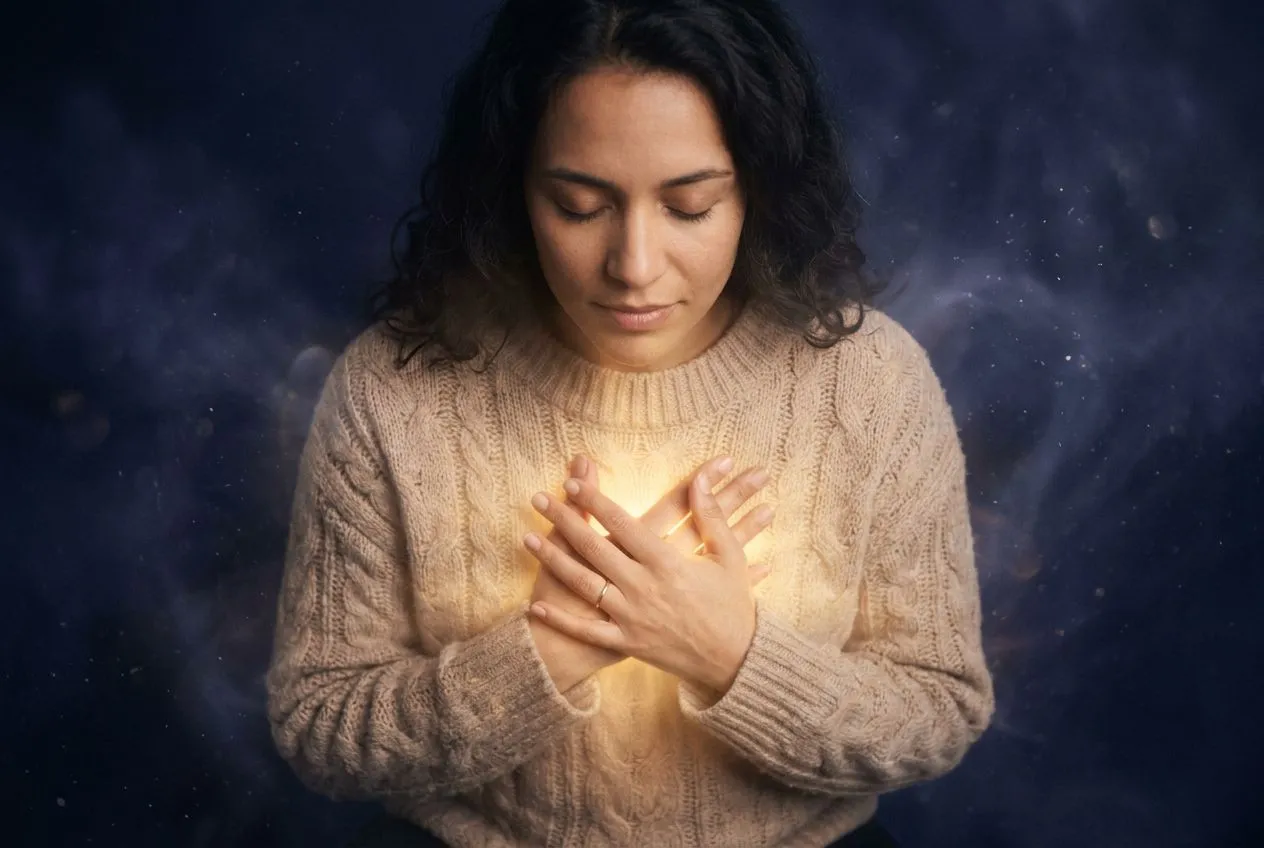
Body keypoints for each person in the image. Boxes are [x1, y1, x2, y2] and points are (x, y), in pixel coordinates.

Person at [265, 0, 996, 845]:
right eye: (579, 206)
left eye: (690, 207)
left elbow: (940, 709)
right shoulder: (394, 390)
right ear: (512, 186)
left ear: (759, 190)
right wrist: (547, 650)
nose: (634, 268)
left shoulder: (869, 383)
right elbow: (320, 729)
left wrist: (731, 653)